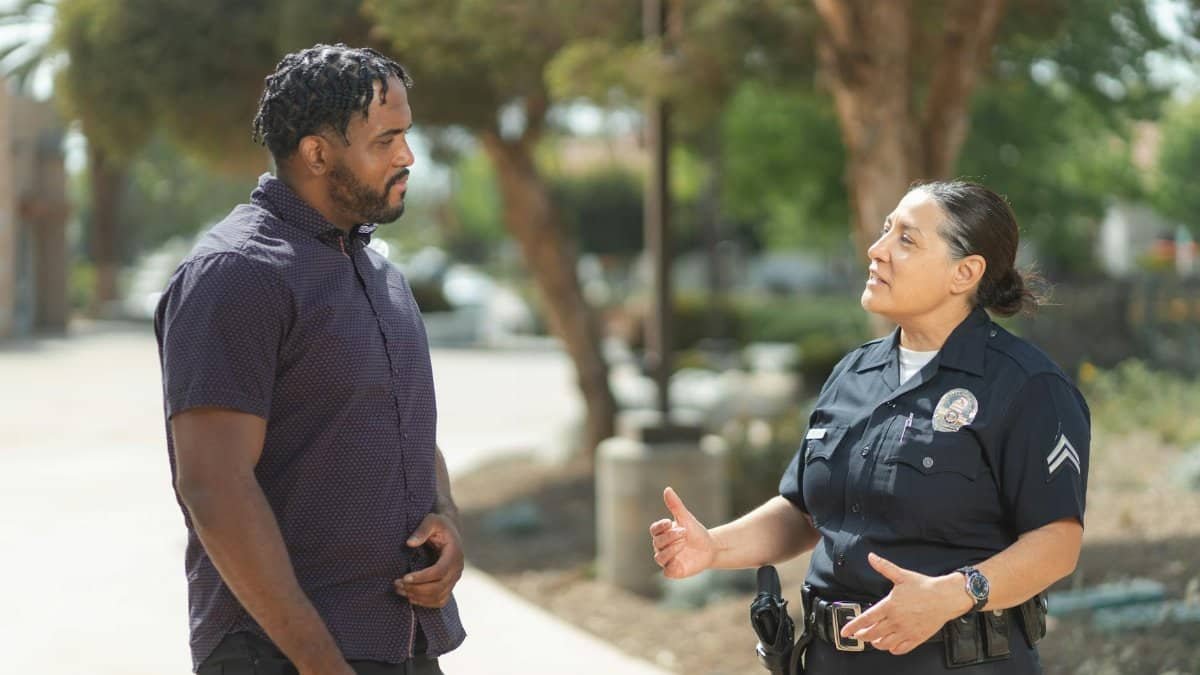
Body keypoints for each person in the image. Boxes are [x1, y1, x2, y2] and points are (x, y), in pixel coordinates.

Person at [649, 181, 1089, 674]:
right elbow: (803, 512)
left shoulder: (1027, 386)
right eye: (885, 231)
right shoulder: (852, 374)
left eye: (907, 239)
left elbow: (1057, 543)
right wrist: (713, 547)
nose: (877, 250)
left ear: (964, 272)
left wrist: (954, 594)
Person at [155, 44, 464, 675]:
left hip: (403, 642)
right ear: (318, 154)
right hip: (280, 654)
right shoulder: (236, 272)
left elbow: (405, 426)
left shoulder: (381, 275)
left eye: (407, 135)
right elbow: (213, 486)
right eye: (386, 140)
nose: (408, 156)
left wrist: (448, 518)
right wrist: (321, 663)